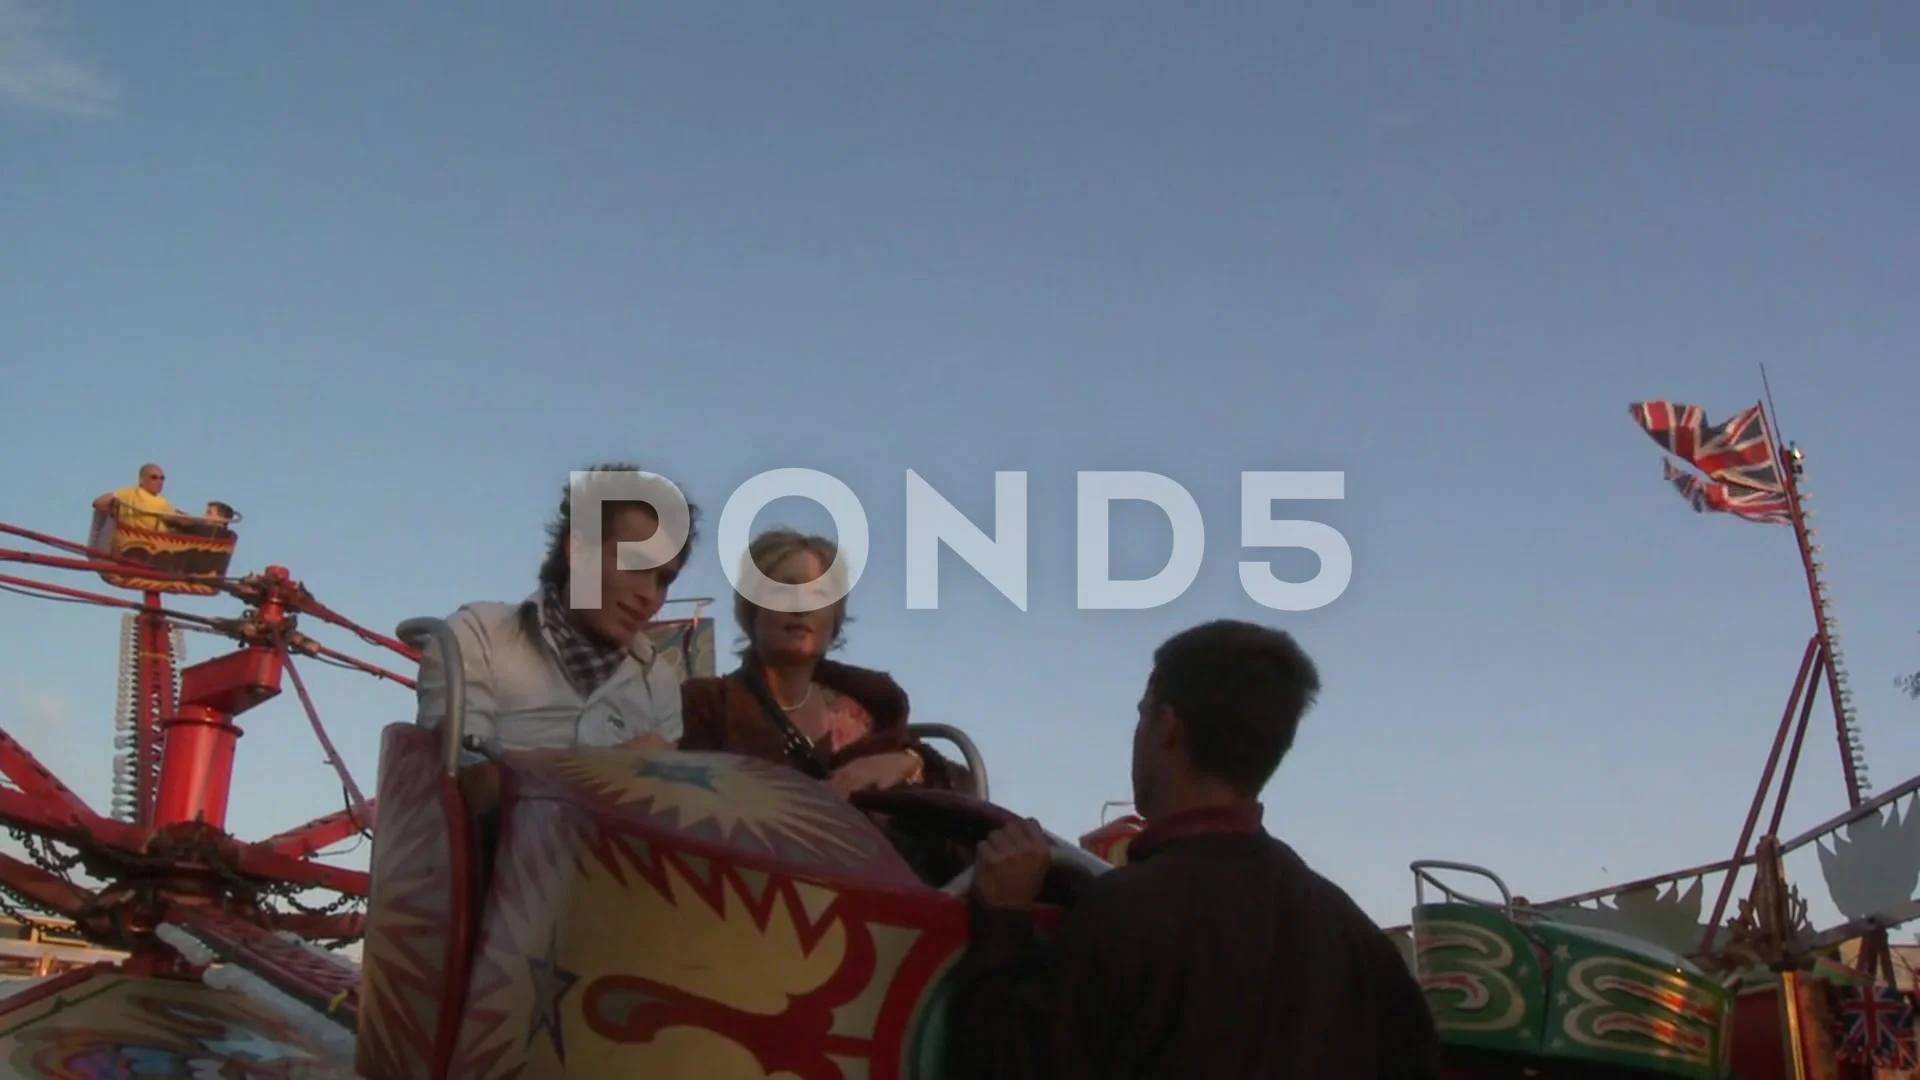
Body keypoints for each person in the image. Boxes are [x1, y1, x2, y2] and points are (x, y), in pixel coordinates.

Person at [945, 619, 1440, 1079]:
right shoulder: (1361, 945)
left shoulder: (1123, 913)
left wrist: (1004, 921)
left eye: (1141, 715)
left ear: (1167, 727)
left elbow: (1002, 1066)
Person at [414, 463, 698, 755]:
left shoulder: (659, 684)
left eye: (664, 580)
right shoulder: (476, 636)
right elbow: (459, 772)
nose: (649, 594)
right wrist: (614, 770)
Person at [679, 528, 971, 797]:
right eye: (783, 590)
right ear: (751, 608)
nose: (801, 607)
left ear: (835, 618)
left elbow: (964, 784)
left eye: (818, 595)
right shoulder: (707, 703)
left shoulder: (868, 706)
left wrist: (907, 763)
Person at [92, 463, 175, 532]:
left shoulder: (163, 501)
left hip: (159, 539)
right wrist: (113, 509)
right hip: (139, 538)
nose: (160, 482)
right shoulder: (129, 493)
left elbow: (175, 517)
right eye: (154, 478)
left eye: (162, 478)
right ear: (141, 479)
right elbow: (98, 503)